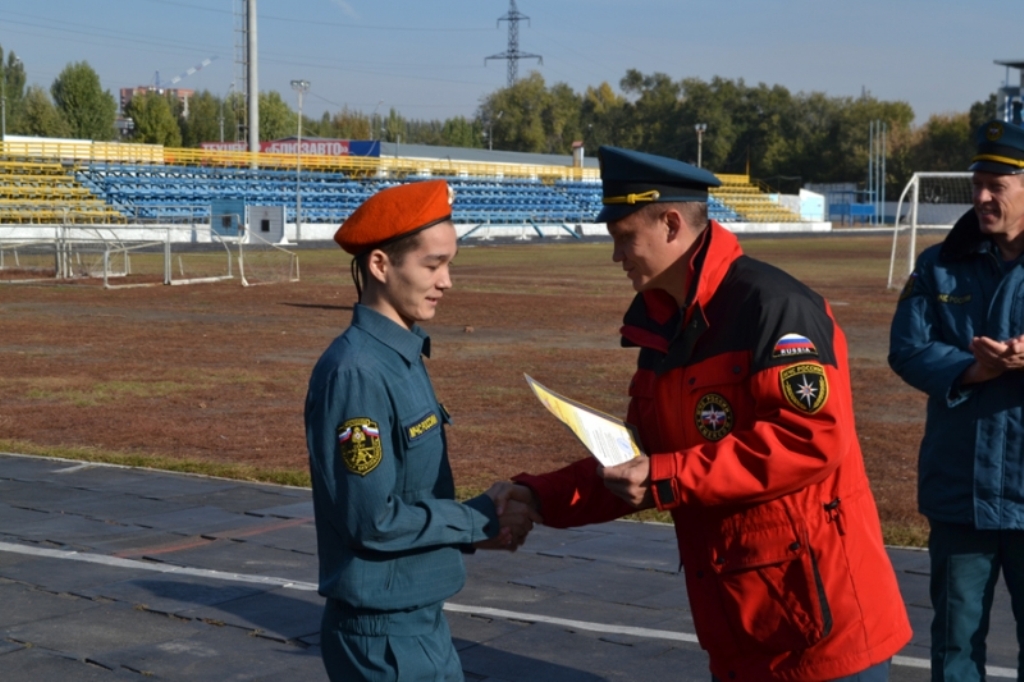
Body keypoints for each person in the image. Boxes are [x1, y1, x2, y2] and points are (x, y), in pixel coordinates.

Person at [495, 146, 912, 681]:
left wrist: (666, 475)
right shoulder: (662, 326)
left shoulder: (774, 308)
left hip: (820, 629)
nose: (616, 254)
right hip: (742, 624)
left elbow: (809, 440)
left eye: (624, 235)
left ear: (671, 223)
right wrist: (538, 496)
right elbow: (638, 460)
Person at [305, 179, 539, 682]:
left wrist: (475, 532)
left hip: (416, 623)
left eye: (448, 263)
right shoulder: (358, 372)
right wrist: (479, 521)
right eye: (432, 265)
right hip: (384, 639)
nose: (446, 281)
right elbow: (374, 520)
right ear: (380, 265)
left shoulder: (401, 355)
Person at [889, 119, 1024, 682]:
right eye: (977, 183)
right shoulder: (938, 262)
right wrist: (974, 368)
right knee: (954, 645)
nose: (982, 197)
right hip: (960, 491)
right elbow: (906, 348)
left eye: (997, 185)